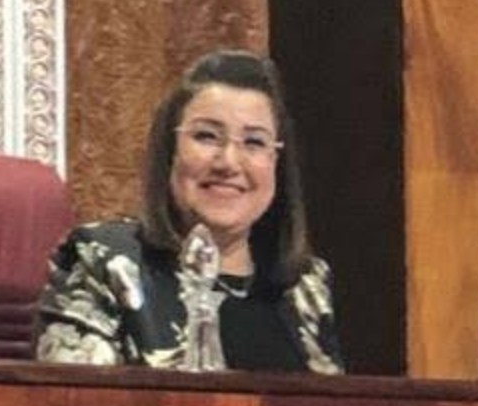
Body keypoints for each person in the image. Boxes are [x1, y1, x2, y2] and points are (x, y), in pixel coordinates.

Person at [33, 49, 344, 374]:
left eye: (254, 142)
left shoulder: (306, 284)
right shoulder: (101, 260)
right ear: (171, 151)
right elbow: (72, 398)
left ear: (276, 162)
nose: (228, 162)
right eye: (206, 136)